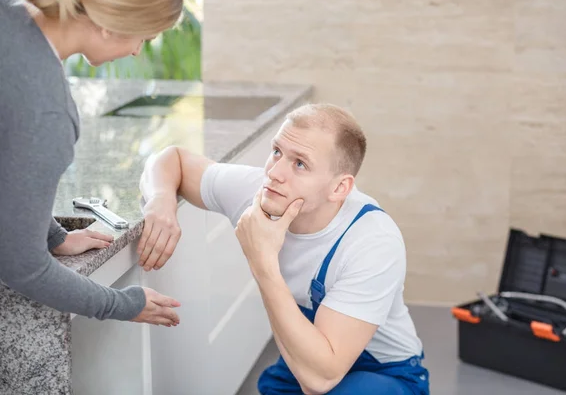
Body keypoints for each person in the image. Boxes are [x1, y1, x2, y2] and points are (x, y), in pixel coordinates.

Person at [139, 103, 430, 394]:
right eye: (277, 151)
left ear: (340, 188)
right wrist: (160, 200)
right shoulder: (262, 190)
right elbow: (171, 159)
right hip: (310, 360)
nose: (275, 172)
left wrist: (262, 261)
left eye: (300, 163)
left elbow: (320, 381)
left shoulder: (372, 242)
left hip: (384, 375)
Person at [0, 0, 183, 327]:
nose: (137, 51)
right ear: (109, 26)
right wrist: (120, 303)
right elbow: (21, 266)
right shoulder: (48, 112)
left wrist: (52, 236)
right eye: (143, 37)